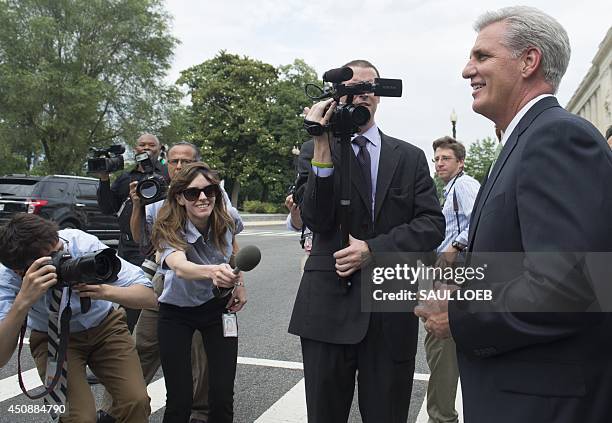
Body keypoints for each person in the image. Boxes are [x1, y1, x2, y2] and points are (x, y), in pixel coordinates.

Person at [416, 7, 612, 423]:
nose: (467, 69)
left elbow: (571, 287)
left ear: (529, 61)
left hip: (543, 403)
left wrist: (458, 313)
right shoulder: (525, 140)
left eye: (482, 56)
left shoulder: (557, 137)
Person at [289, 59, 445, 423]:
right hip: (327, 307)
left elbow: (431, 226)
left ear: (379, 95)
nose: (361, 94)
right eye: (352, 88)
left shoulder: (409, 156)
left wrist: (373, 249)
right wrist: (322, 144)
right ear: (336, 96)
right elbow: (315, 218)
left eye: (368, 87)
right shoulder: (315, 149)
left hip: (389, 311)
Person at [0, 214, 157, 423]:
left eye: (60, 251)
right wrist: (23, 301)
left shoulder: (78, 244)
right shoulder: (8, 277)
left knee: (135, 401)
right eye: (52, 260)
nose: (63, 259)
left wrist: (105, 291)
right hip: (51, 337)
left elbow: (149, 297)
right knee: (79, 418)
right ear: (20, 271)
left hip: (105, 327)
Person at [97, 142, 213, 423]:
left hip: (204, 287)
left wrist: (237, 280)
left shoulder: (210, 194)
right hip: (165, 282)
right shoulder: (157, 195)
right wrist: (138, 204)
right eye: (173, 161)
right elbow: (141, 239)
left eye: (185, 161)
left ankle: (200, 413)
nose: (178, 167)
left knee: (202, 355)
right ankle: (117, 409)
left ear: (197, 163)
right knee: (143, 345)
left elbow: (230, 239)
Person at [151, 162, 246, 423]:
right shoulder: (167, 226)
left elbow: (235, 247)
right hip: (176, 313)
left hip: (218, 308)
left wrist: (239, 284)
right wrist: (213, 271)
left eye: (209, 190)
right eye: (193, 193)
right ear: (180, 198)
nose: (203, 197)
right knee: (180, 398)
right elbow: (179, 266)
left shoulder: (227, 216)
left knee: (222, 393)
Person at [425, 137, 479, 423]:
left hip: (454, 269)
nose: (439, 163)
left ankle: (442, 417)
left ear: (460, 162)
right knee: (438, 343)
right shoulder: (450, 189)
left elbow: (481, 220)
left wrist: (455, 246)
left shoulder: (466, 185)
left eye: (445, 158)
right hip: (444, 269)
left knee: (440, 345)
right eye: (436, 159)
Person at [96, 133, 169, 332]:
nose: (146, 148)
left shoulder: (166, 174)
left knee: (141, 298)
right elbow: (107, 207)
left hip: (150, 247)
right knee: (124, 294)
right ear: (135, 149)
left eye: (151, 145)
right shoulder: (126, 178)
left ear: (159, 148)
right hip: (127, 246)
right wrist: (104, 179)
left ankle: (131, 339)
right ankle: (122, 341)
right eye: (141, 145)